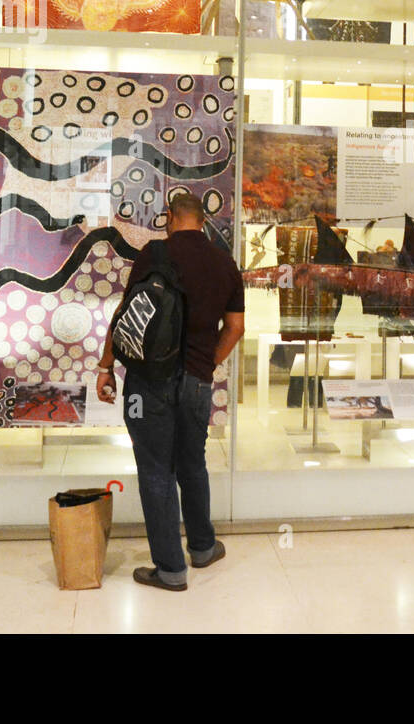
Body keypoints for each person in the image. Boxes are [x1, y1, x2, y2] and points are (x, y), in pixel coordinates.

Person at [96, 192, 245, 592]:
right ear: (202, 220)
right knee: (192, 464)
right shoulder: (225, 264)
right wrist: (206, 365)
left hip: (149, 382)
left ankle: (170, 570)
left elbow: (126, 314)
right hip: (197, 382)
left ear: (170, 217)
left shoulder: (154, 254)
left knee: (156, 470)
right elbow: (235, 328)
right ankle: (202, 547)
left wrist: (107, 366)